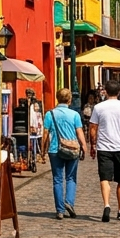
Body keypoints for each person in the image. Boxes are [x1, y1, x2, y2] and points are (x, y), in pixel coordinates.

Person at [89, 79, 120, 222]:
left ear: (105, 91)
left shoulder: (98, 107)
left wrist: (93, 145)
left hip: (104, 147)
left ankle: (106, 205)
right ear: (119, 92)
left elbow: (93, 128)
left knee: (104, 178)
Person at [40, 88, 88, 219]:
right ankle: (69, 202)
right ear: (70, 100)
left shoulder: (50, 114)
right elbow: (79, 132)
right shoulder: (74, 115)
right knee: (71, 178)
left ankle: (60, 210)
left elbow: (45, 133)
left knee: (57, 179)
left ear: (57, 98)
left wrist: (42, 150)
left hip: (55, 150)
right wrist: (84, 147)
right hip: (72, 149)